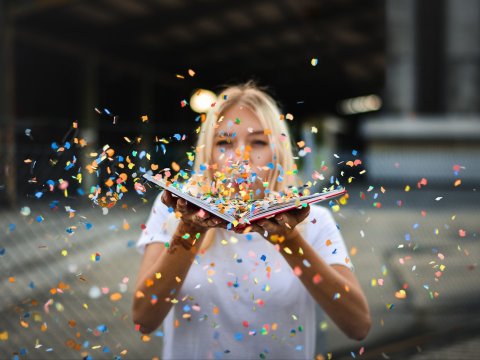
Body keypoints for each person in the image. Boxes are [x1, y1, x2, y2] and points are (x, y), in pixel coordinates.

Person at [132, 82, 371, 360]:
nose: (240, 157)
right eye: (224, 143)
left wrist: (289, 240)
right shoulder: (172, 212)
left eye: (258, 142)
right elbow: (143, 320)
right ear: (208, 154)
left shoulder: (314, 220)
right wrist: (190, 230)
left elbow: (358, 326)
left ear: (277, 153)